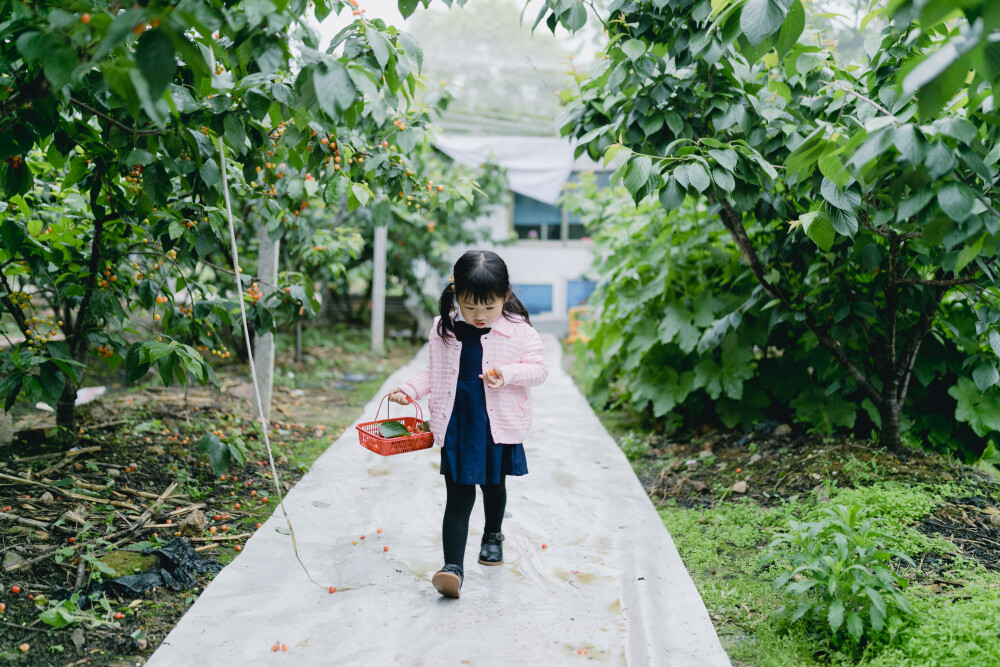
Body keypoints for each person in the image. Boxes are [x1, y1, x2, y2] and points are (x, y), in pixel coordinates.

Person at [388, 250, 548, 598]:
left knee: (493, 486)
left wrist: (505, 375)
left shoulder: (519, 331)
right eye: (469, 306)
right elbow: (435, 371)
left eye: (488, 308)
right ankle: (452, 568)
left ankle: (493, 534)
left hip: (495, 423)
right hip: (459, 420)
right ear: (455, 293)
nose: (478, 315)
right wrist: (409, 389)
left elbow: (539, 369)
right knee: (458, 494)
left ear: (505, 297)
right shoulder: (444, 328)